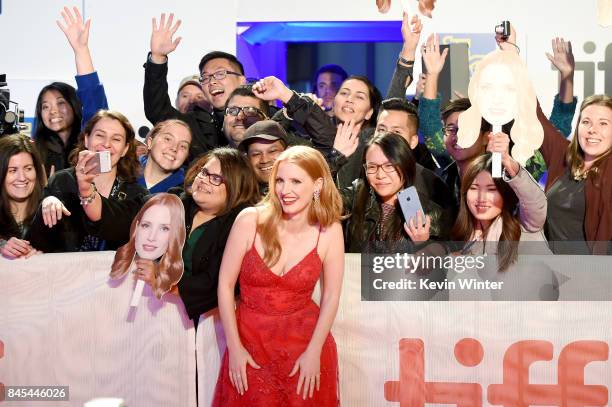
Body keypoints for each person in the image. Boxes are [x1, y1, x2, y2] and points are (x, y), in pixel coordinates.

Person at [213, 146, 344, 405]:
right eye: (280, 180)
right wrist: (235, 348)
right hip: (250, 343)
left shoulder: (329, 231)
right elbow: (225, 286)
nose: (286, 190)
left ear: (317, 185)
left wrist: (314, 352)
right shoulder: (250, 220)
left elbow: (331, 296)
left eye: (296, 181)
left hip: (304, 347)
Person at [28, 110, 148, 253]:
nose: (106, 144)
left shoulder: (136, 194)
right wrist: (45, 206)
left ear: (125, 149)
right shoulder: (62, 181)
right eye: (99, 135)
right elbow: (37, 243)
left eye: (116, 139)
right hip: (65, 273)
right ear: (86, 140)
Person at [451, 151, 556, 299]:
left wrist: (513, 167)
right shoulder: (467, 238)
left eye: (491, 189)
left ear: (505, 193)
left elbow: (536, 203)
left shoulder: (524, 224)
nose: (481, 198)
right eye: (474, 188)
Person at [145, 13, 247, 160]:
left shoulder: (261, 116)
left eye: (220, 73)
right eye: (205, 77)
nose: (212, 81)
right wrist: (158, 58)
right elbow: (157, 109)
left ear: (242, 80)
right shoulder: (194, 125)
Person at [342, 132, 454, 253]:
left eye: (389, 166)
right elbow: (321, 201)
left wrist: (422, 244)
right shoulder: (356, 194)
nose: (380, 175)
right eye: (372, 167)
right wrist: (336, 156)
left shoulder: (428, 212)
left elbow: (441, 262)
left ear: (405, 166)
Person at [538, 94, 612, 254]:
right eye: (586, 122)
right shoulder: (563, 156)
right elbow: (535, 117)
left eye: (603, 123)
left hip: (592, 274)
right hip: (555, 270)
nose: (593, 130)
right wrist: (517, 74)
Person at [110, 193, 186, 299]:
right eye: (146, 225)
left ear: (176, 234)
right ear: (137, 226)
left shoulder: (181, 289)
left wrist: (155, 282)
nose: (151, 237)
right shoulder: (107, 264)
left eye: (164, 228)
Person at [0, 134, 46, 259]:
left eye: (28, 168)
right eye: (13, 170)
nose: (22, 178)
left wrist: (47, 257)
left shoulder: (51, 212)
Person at [33, 82, 82, 177]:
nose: (53, 111)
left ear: (74, 104)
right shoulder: (34, 152)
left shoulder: (88, 146)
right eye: (45, 106)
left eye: (60, 103)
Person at [138, 119, 192, 193]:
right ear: (150, 143)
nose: (174, 148)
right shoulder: (122, 172)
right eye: (168, 139)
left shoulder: (185, 196)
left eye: (183, 146)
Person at [238, 120, 289, 195]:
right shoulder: (240, 199)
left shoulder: (307, 190)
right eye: (256, 154)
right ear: (247, 159)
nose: (265, 160)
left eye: (272, 151)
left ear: (288, 151)